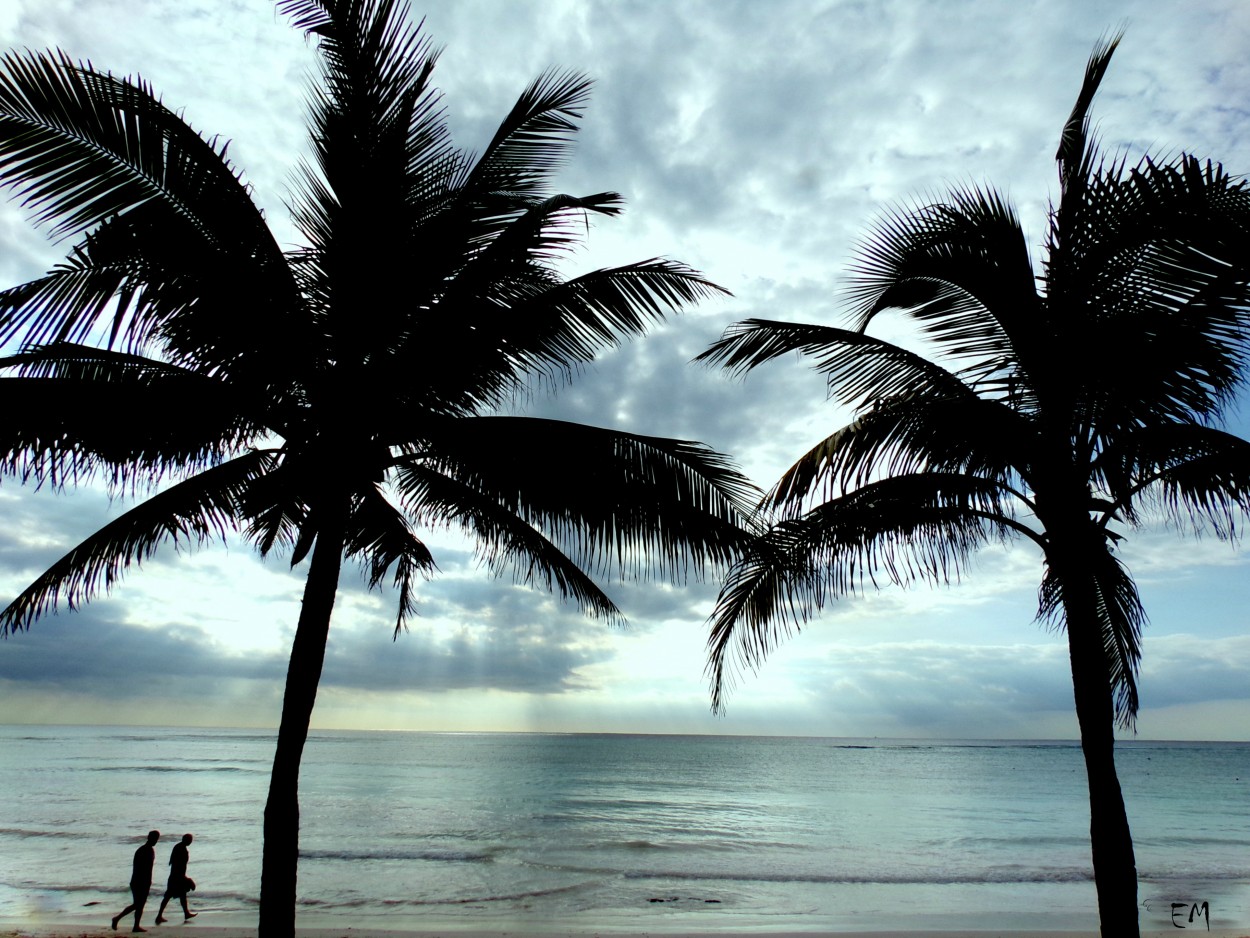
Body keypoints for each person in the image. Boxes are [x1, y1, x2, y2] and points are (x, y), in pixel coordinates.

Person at [111, 830, 160, 933]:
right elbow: (147, 868)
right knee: (138, 904)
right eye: (156, 839)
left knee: (139, 904)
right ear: (151, 838)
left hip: (136, 880)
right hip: (141, 881)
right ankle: (118, 918)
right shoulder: (148, 851)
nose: (156, 841)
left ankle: (135, 925)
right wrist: (148, 881)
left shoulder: (142, 849)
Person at [155, 833, 197, 924]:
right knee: (168, 896)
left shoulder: (178, 847)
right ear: (186, 840)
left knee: (181, 895)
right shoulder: (181, 849)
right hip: (177, 877)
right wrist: (187, 879)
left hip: (176, 876)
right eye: (190, 839)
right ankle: (159, 916)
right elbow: (179, 866)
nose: (191, 841)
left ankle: (186, 913)